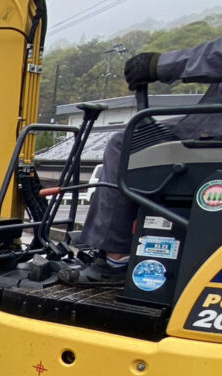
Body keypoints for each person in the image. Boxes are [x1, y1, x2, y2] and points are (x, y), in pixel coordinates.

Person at [67, 35, 222, 284]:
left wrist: (158, 66)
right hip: (208, 133)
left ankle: (116, 258)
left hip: (212, 140)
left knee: (124, 144)